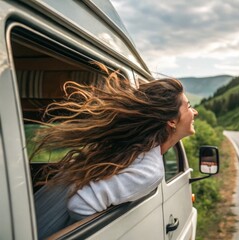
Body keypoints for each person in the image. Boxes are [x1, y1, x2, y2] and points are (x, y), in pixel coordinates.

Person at [32, 64, 198, 238]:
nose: (194, 112)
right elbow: (81, 205)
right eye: (188, 107)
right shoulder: (150, 170)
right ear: (172, 121)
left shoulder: (133, 148)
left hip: (38, 218)